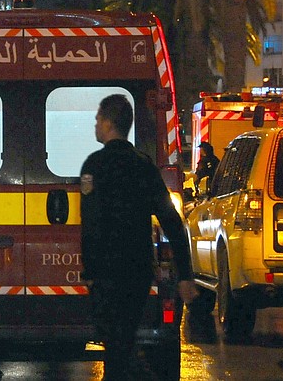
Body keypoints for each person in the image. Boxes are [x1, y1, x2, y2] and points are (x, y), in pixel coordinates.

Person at [80, 94, 197, 381]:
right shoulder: (144, 166)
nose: (95, 124)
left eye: (98, 118)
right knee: (122, 342)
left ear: (108, 123)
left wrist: (91, 271)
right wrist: (185, 274)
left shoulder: (94, 166)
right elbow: (172, 221)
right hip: (136, 272)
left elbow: (91, 225)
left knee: (116, 346)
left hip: (106, 274)